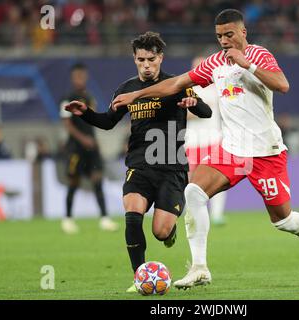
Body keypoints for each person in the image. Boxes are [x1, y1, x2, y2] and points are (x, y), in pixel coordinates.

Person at [111, 9, 299, 289]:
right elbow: (178, 83)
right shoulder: (215, 62)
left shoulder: (260, 55)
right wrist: (137, 94)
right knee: (193, 192)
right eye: (219, 36)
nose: (224, 41)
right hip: (230, 150)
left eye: (229, 34)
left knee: (283, 220)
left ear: (243, 32)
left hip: (265, 152)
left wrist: (247, 65)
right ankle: (200, 267)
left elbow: (283, 85)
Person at [63, 32, 212, 292]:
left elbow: (206, 111)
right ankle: (139, 276)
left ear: (160, 58)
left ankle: (170, 232)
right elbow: (107, 122)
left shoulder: (176, 83)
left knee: (161, 232)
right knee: (132, 217)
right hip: (139, 166)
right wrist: (85, 113)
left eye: (151, 59)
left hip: (172, 168)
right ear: (134, 59)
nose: (146, 64)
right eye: (141, 59)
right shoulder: (126, 89)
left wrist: (193, 103)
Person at [59, 63, 119, 234]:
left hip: (91, 146)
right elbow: (67, 124)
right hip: (76, 148)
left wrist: (94, 139)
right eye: (77, 76)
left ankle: (105, 219)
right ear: (72, 78)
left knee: (97, 180)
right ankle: (68, 219)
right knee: (74, 182)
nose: (80, 79)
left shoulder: (90, 97)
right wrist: (83, 139)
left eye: (82, 75)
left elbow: (92, 120)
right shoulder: (67, 98)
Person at [185, 56, 227, 225]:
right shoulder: (189, 89)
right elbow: (182, 113)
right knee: (190, 180)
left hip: (214, 139)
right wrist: (198, 112)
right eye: (197, 67)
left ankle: (217, 214)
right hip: (193, 141)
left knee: (219, 178)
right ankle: (191, 213)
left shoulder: (218, 87)